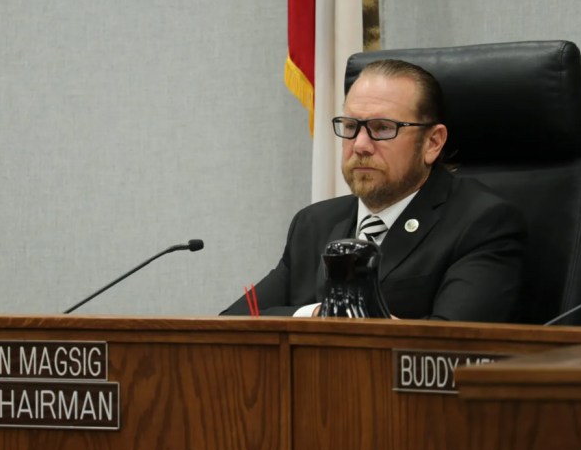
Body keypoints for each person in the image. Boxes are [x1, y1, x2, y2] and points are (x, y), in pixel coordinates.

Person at [222, 59, 526, 321]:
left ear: (432, 143)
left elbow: (451, 344)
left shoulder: (481, 223)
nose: (361, 145)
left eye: (382, 128)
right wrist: (318, 315)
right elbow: (231, 326)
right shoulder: (313, 224)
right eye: (350, 126)